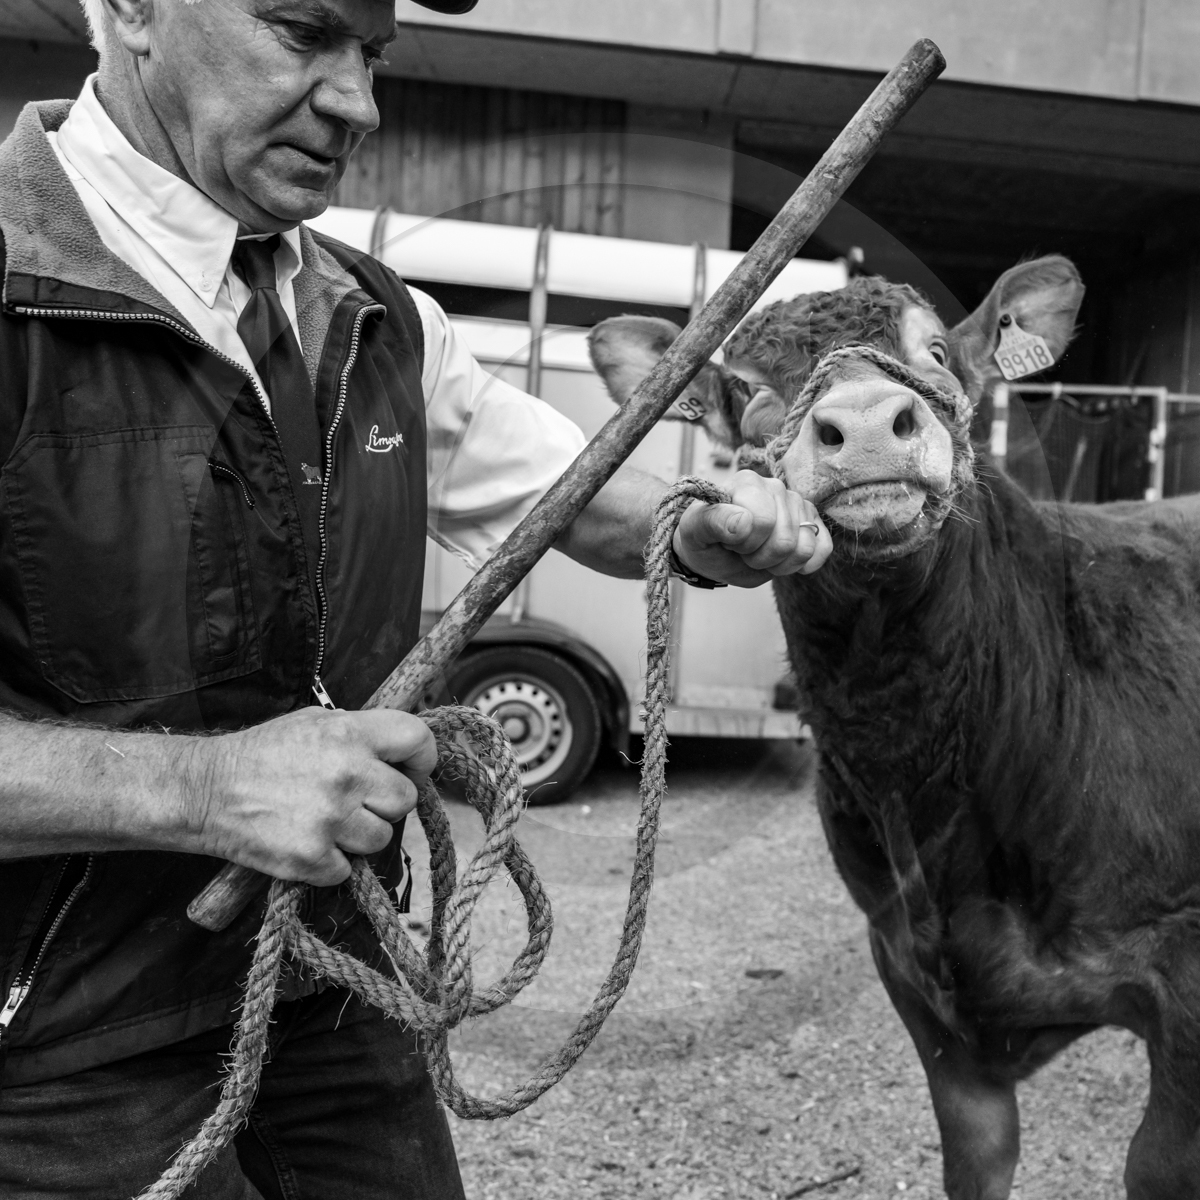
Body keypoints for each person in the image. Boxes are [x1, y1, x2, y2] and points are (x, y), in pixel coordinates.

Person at [0, 0, 832, 1193]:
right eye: (303, 31)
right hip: (51, 1054)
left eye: (372, 51)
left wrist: (705, 527)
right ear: (134, 7)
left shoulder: (376, 315)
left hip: (336, 985)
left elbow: (565, 493)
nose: (359, 102)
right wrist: (205, 789)